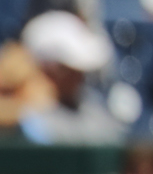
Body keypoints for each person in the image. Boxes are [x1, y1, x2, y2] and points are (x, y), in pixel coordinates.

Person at [14, 10, 123, 144]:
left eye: (80, 71)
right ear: (46, 68)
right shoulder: (25, 118)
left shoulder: (94, 111)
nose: (79, 77)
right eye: (68, 70)